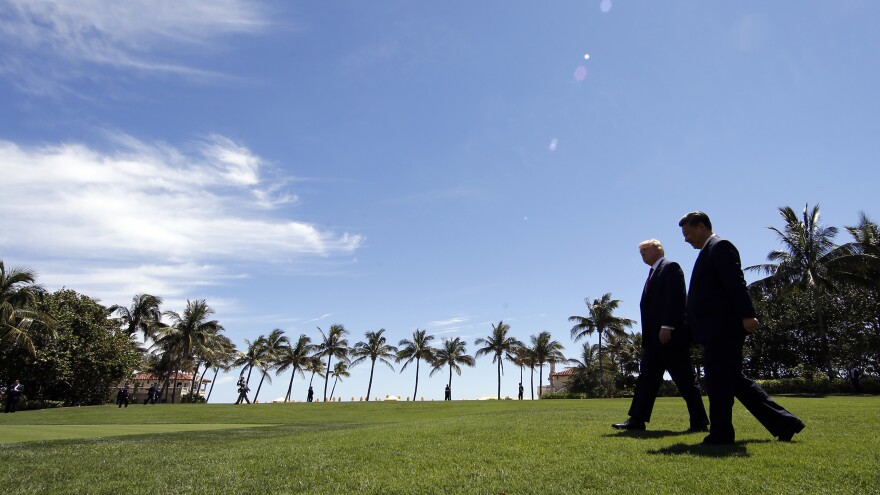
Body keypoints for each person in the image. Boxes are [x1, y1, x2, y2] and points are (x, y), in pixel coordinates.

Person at [680, 211, 805, 445]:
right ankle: (785, 423)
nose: (686, 239)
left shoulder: (720, 247)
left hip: (723, 329)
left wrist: (747, 315)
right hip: (715, 330)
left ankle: (721, 434)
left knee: (719, 382)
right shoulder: (709, 251)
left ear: (701, 227)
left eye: (687, 233)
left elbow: (736, 283)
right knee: (733, 381)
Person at [612, 239, 709, 432]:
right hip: (654, 341)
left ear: (658, 249)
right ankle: (637, 420)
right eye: (640, 252)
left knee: (685, 380)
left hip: (670, 337)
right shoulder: (653, 273)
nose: (642, 255)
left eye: (645, 250)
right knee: (646, 378)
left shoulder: (670, 267)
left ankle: (699, 422)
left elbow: (676, 298)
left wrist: (667, 326)